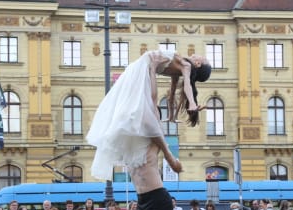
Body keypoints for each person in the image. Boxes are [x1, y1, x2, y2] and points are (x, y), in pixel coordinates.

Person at [87, 48, 198, 210]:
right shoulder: (131, 141)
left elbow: (151, 100)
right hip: (143, 201)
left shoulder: (150, 131)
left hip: (159, 201)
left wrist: (171, 159)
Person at [86, 49, 211, 181]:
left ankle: (121, 123)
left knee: (140, 105)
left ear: (197, 63)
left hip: (141, 68)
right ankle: (122, 123)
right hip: (141, 68)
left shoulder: (186, 65)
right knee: (136, 105)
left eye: (202, 58)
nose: (199, 54)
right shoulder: (180, 66)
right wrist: (172, 116)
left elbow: (185, 87)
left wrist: (191, 103)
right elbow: (172, 94)